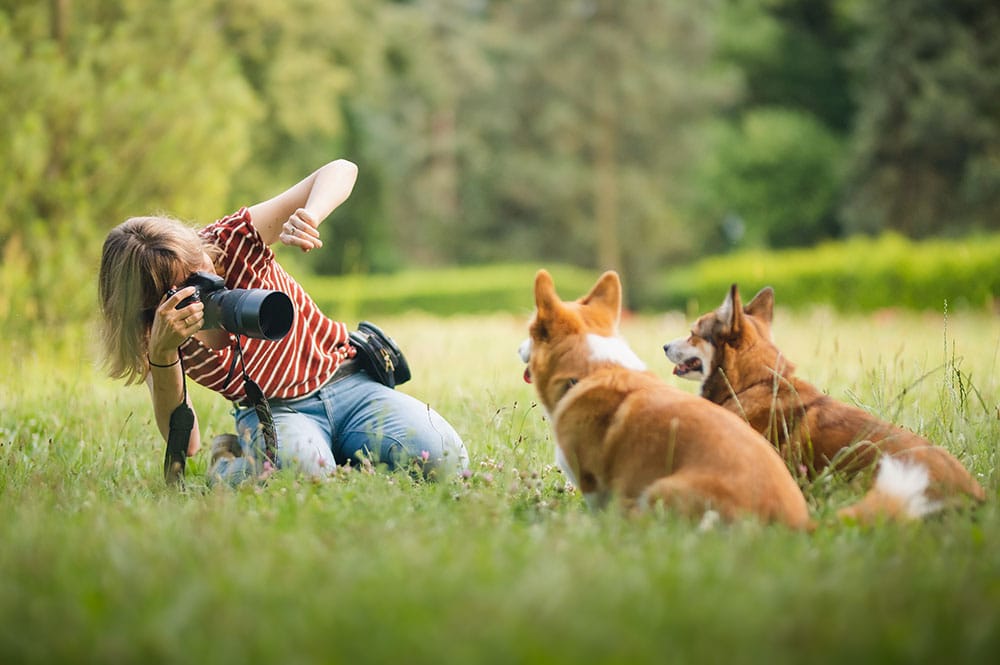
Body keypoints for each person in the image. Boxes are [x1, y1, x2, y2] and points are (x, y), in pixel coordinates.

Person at [98, 159, 469, 485]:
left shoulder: (228, 241)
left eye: (202, 263)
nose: (210, 279)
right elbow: (187, 442)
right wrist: (163, 354)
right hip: (274, 412)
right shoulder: (154, 333)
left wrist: (310, 215)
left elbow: (341, 169)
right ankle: (230, 464)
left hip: (348, 380)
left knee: (447, 460)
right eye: (191, 283)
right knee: (306, 477)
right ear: (154, 305)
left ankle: (325, 457)